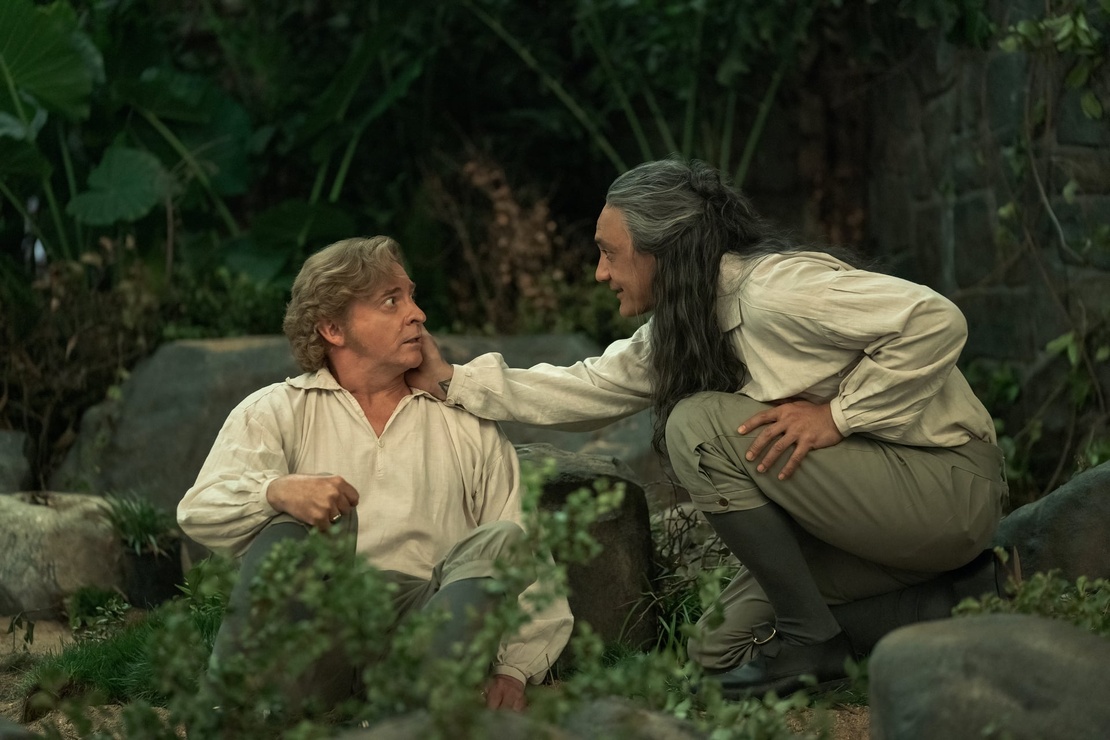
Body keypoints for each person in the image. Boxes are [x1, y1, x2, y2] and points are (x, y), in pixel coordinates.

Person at [406, 158, 1011, 699]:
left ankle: (809, 635)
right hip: (872, 516)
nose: (599, 273)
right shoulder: (688, 323)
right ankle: (956, 597)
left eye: (609, 253)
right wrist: (454, 382)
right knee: (715, 652)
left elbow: (934, 320)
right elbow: (589, 385)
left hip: (946, 489)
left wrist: (838, 416)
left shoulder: (774, 291)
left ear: (662, 250)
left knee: (697, 425)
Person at [178, 236, 572, 715]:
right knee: (286, 522)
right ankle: (229, 711)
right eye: (391, 301)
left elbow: (527, 548)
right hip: (320, 636)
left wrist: (515, 669)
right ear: (332, 328)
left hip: (428, 629)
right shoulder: (276, 410)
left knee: (505, 539)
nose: (417, 314)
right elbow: (200, 510)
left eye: (411, 296)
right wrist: (276, 491)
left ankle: (405, 716)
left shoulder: (465, 421)